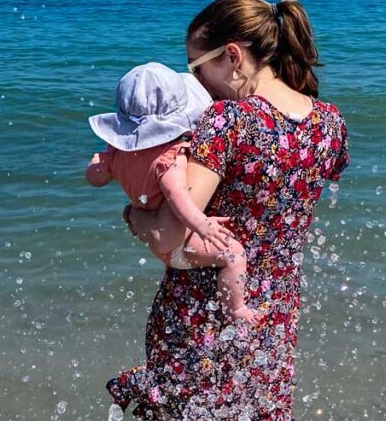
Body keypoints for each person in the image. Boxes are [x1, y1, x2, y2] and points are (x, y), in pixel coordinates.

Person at [107, 0, 349, 421]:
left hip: (199, 314)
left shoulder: (227, 124)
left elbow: (172, 237)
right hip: (272, 318)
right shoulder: (330, 126)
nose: (192, 84)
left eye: (196, 68)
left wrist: (137, 219)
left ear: (233, 56)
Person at [86, 62, 259, 323]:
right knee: (234, 254)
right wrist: (203, 226)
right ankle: (235, 308)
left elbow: (95, 178)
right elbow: (178, 196)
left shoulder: (116, 153)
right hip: (180, 245)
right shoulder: (170, 157)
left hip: (152, 232)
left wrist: (100, 162)